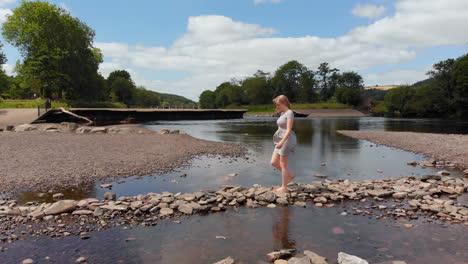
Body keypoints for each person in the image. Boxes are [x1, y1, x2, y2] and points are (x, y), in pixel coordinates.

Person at [271, 95, 297, 193]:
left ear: (284, 103)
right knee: (273, 162)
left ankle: (284, 187)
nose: (277, 107)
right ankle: (289, 175)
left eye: (278, 105)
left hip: (287, 140)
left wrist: (282, 142)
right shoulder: (283, 113)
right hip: (280, 140)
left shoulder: (289, 113)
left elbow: (288, 130)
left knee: (283, 164)